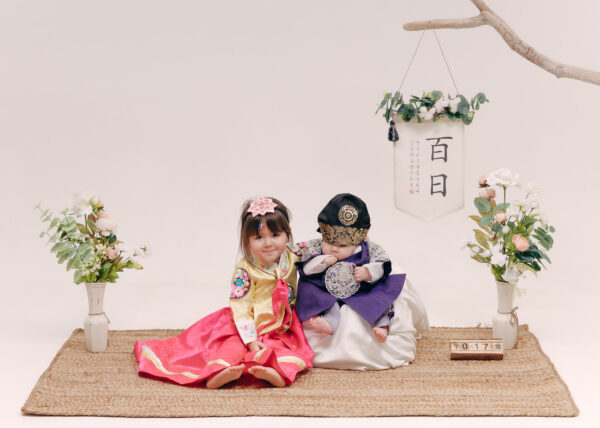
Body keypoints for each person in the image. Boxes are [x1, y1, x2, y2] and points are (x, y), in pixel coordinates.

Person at [134, 197, 313, 388]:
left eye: (275, 235)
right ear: (247, 240)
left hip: (280, 329)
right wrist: (251, 340)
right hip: (246, 326)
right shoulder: (246, 269)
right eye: (259, 237)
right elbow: (241, 306)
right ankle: (218, 373)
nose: (268, 243)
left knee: (285, 351)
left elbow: (321, 246)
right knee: (231, 347)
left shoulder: (293, 255)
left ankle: (277, 374)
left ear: (288, 233)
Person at [295, 193, 405, 343]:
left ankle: (383, 324)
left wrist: (368, 273)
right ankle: (329, 322)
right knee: (311, 291)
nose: (334, 248)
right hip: (324, 288)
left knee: (380, 297)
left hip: (360, 290)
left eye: (342, 245)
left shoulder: (369, 249)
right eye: (329, 242)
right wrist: (322, 262)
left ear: (358, 242)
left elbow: (381, 265)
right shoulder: (315, 246)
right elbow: (307, 268)